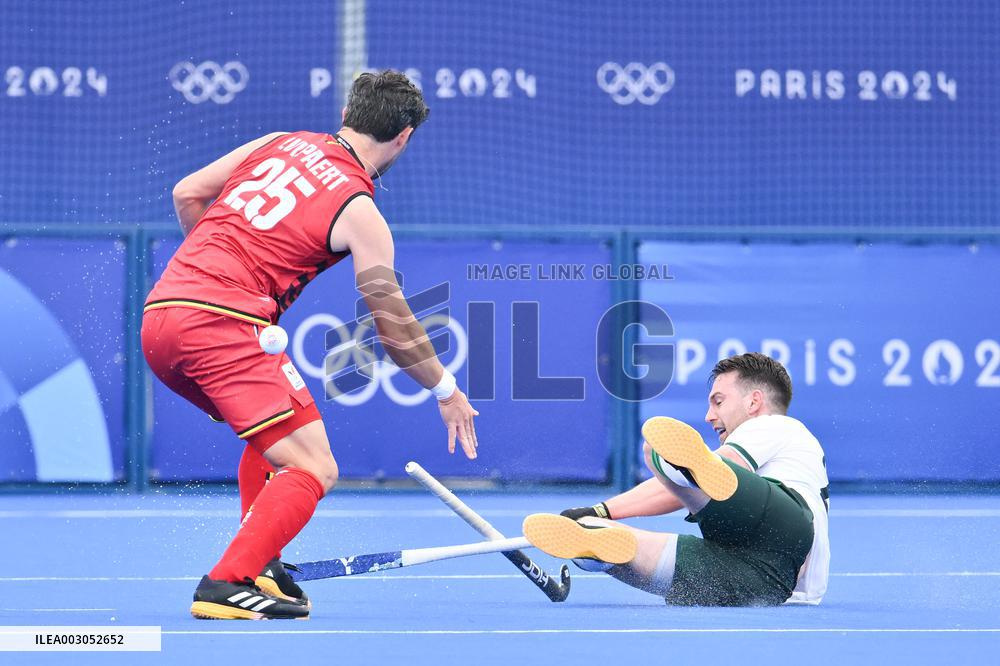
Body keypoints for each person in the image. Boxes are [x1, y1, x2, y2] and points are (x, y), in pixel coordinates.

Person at [141, 70, 479, 620]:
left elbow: (188, 192)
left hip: (161, 317)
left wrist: (212, 274)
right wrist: (446, 389)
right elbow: (392, 326)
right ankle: (226, 583)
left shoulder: (278, 142)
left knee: (280, 436)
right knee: (315, 466)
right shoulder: (360, 211)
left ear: (347, 115)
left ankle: (264, 562)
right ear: (404, 137)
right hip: (222, 326)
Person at [523, 352, 829, 606]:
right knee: (616, 543)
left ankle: (667, 470)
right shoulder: (789, 445)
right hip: (771, 584)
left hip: (786, 531)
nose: (709, 415)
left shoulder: (774, 425)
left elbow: (689, 486)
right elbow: (688, 486)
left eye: (718, 401)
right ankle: (597, 549)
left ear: (753, 403)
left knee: (672, 461)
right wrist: (594, 519)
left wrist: (602, 508)